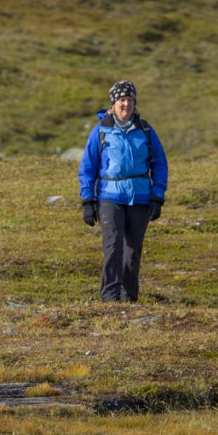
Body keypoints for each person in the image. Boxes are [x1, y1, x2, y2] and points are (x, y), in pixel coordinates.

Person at [79, 80, 168, 302]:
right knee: (113, 245)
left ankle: (128, 297)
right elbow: (87, 168)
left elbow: (160, 164)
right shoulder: (100, 132)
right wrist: (87, 201)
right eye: (122, 100)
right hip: (109, 197)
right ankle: (110, 295)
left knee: (133, 250)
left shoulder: (145, 130)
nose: (126, 104)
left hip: (140, 197)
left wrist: (157, 196)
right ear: (113, 104)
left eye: (130, 100)